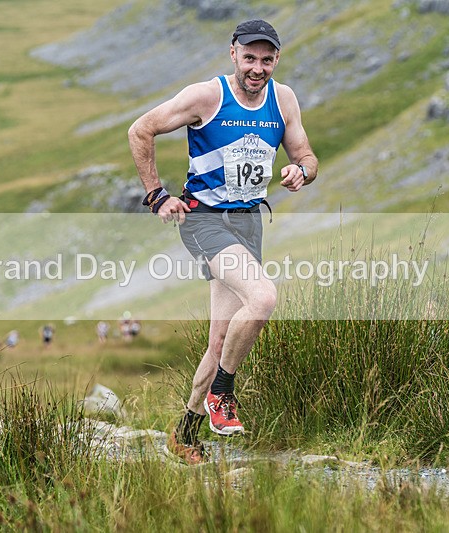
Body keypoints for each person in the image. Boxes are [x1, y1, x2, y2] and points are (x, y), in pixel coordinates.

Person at [128, 20, 318, 465]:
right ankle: (223, 394)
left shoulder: (283, 99)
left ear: (276, 59)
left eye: (266, 59)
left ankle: (185, 435)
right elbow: (141, 130)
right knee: (264, 296)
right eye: (249, 58)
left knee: (219, 344)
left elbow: (306, 155)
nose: (257, 68)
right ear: (233, 53)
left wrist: (301, 172)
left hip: (249, 223)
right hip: (205, 221)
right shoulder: (206, 97)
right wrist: (157, 196)